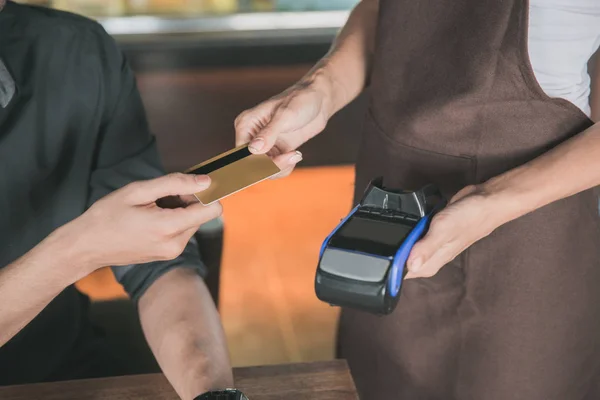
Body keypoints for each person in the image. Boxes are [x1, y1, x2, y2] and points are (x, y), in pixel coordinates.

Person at [235, 0, 600, 399]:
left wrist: (493, 200)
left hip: (527, 232)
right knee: (379, 380)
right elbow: (381, 10)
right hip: (389, 196)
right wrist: (320, 90)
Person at [0, 2, 235, 399]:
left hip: (60, 371)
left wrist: (213, 392)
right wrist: (77, 250)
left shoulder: (80, 52)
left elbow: (159, 267)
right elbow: (82, 248)